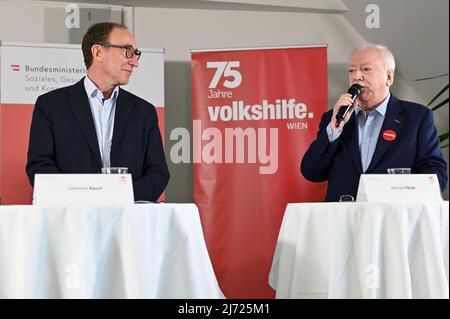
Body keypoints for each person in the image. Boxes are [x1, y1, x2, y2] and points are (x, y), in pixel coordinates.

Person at [26, 22, 170, 202]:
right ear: (98, 52)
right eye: (128, 51)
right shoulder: (50, 105)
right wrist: (86, 197)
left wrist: (117, 196)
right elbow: (40, 168)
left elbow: (158, 173)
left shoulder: (144, 111)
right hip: (72, 220)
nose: (135, 62)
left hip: (128, 222)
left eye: (136, 53)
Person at [301, 43, 447, 202]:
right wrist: (334, 130)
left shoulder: (417, 117)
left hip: (395, 219)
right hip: (345, 221)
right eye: (351, 70)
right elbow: (311, 172)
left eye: (366, 69)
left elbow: (434, 173)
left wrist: (407, 195)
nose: (357, 76)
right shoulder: (334, 118)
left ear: (389, 77)